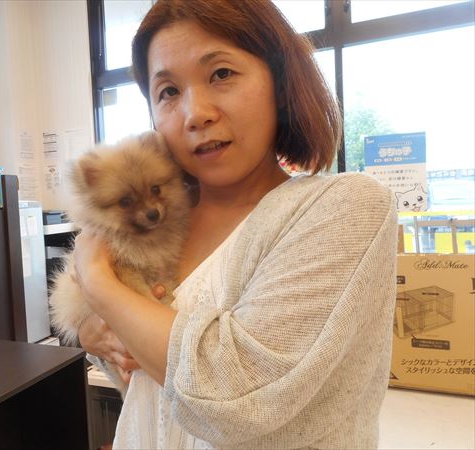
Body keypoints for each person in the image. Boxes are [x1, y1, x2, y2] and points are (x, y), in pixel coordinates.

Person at [73, 1, 398, 448]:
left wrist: (98, 285)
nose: (196, 113)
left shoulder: (345, 208)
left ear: (279, 82)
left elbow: (235, 395)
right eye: (168, 91)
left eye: (221, 74)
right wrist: (94, 335)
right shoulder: (157, 225)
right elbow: (143, 380)